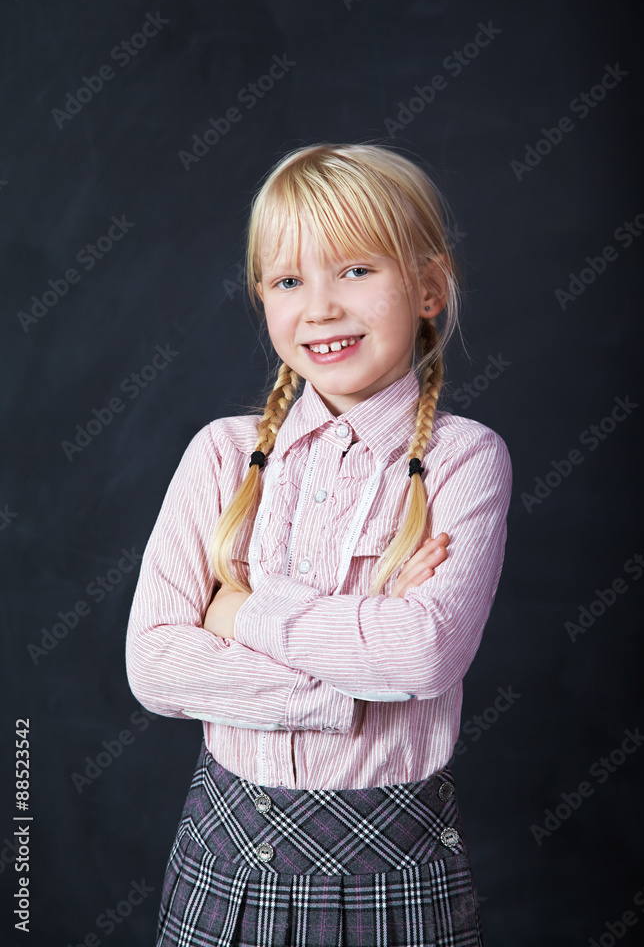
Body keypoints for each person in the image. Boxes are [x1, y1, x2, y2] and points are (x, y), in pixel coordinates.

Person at [125, 141, 512, 946]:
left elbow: (420, 658)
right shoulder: (222, 454)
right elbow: (154, 664)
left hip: (395, 871)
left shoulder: (464, 459)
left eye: (356, 271)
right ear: (262, 298)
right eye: (289, 280)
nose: (321, 307)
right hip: (225, 854)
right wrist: (347, 685)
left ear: (430, 287)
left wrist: (241, 612)